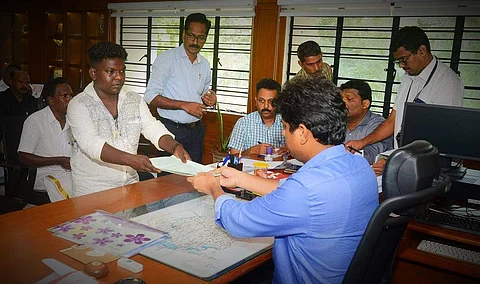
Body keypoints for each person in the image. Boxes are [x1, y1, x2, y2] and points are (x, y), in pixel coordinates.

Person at [187, 77, 378, 283]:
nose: (283, 133)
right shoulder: (361, 167)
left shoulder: (305, 190)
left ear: (303, 133)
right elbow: (291, 190)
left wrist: (213, 188)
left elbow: (238, 220)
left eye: (286, 127)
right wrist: (241, 178)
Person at [67, 41, 190, 197]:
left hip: (130, 185)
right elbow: (91, 144)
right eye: (110, 71)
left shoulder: (134, 100)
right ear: (93, 73)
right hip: (93, 190)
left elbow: (152, 127)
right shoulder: (78, 105)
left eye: (122, 71)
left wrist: (174, 146)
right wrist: (131, 160)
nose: (119, 77)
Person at [344, 26, 464, 172]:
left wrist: (393, 163)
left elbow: (442, 138)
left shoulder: (447, 82)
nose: (401, 65)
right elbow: (393, 121)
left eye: (404, 59)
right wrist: (362, 142)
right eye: (398, 61)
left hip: (428, 165)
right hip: (404, 160)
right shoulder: (408, 77)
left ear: (421, 50)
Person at [144, 13, 216, 163]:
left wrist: (210, 100)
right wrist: (183, 105)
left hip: (197, 131)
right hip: (171, 130)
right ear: (183, 34)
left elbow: (203, 95)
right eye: (191, 35)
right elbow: (150, 96)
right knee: (168, 181)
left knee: (195, 179)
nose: (195, 42)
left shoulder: (204, 64)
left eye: (201, 38)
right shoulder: (166, 59)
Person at [18, 77, 73, 202]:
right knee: (69, 188)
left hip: (70, 172)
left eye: (70, 95)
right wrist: (58, 160)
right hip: (44, 174)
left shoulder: (72, 120)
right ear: (51, 100)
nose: (70, 100)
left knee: (93, 184)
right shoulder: (36, 120)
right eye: (64, 96)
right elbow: (23, 157)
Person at [340, 79, 393, 165]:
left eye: (349, 99)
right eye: (341, 99)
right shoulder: (334, 121)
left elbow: (372, 155)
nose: (342, 103)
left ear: (365, 104)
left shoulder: (379, 126)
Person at [228, 78, 285, 156]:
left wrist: (288, 150)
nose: (266, 106)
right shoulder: (243, 123)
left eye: (271, 101)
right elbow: (233, 157)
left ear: (278, 102)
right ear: (256, 100)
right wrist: (250, 151)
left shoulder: (286, 122)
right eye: (261, 101)